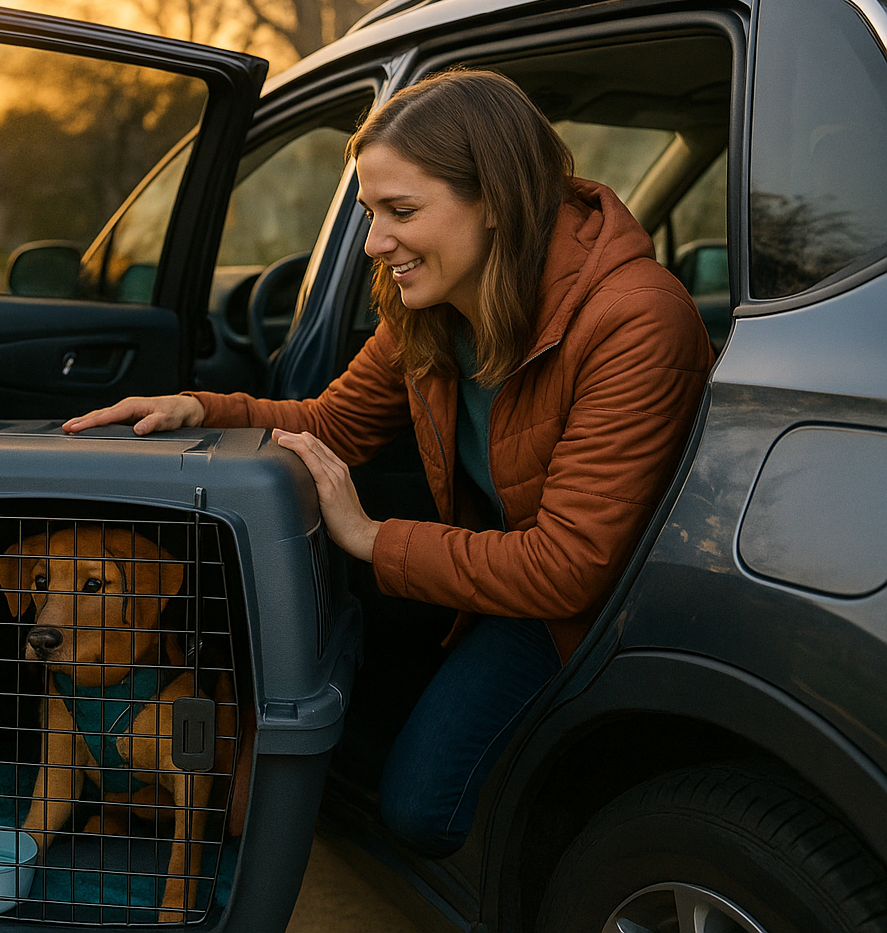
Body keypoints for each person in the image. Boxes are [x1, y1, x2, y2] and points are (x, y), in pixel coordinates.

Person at [65, 68, 713, 856]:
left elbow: (568, 569)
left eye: (401, 212)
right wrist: (203, 409)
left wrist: (370, 537)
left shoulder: (637, 321)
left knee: (419, 809)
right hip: (507, 582)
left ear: (499, 204)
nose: (374, 242)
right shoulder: (431, 303)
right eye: (372, 212)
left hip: (604, 614)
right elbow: (331, 423)